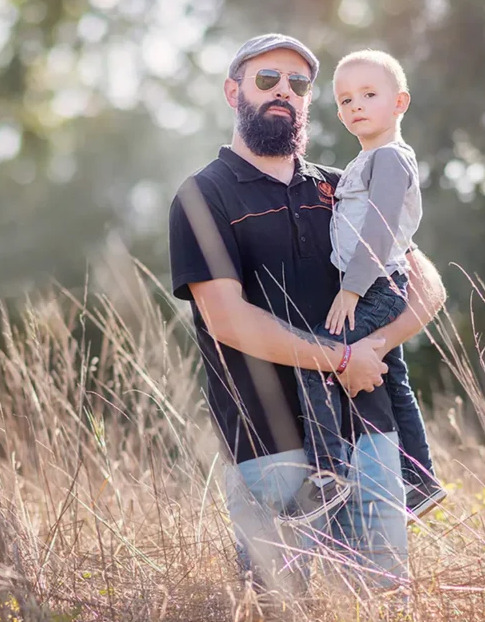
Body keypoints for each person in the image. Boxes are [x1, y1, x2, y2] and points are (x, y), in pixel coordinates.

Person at [168, 33, 445, 593]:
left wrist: (372, 348)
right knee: (280, 619)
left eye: (298, 83)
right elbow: (227, 319)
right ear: (233, 92)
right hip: (268, 447)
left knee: (383, 609)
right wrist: (340, 359)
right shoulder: (202, 197)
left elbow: (426, 286)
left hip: (370, 437)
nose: (284, 91)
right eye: (267, 79)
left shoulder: (345, 186)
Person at [280, 49, 445, 525]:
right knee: (393, 377)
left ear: (400, 102)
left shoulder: (389, 159)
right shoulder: (366, 160)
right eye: (346, 100)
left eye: (369, 95)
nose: (356, 106)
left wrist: (351, 290)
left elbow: (380, 228)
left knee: (316, 356)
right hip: (375, 283)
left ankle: (326, 474)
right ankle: (421, 479)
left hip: (375, 286)